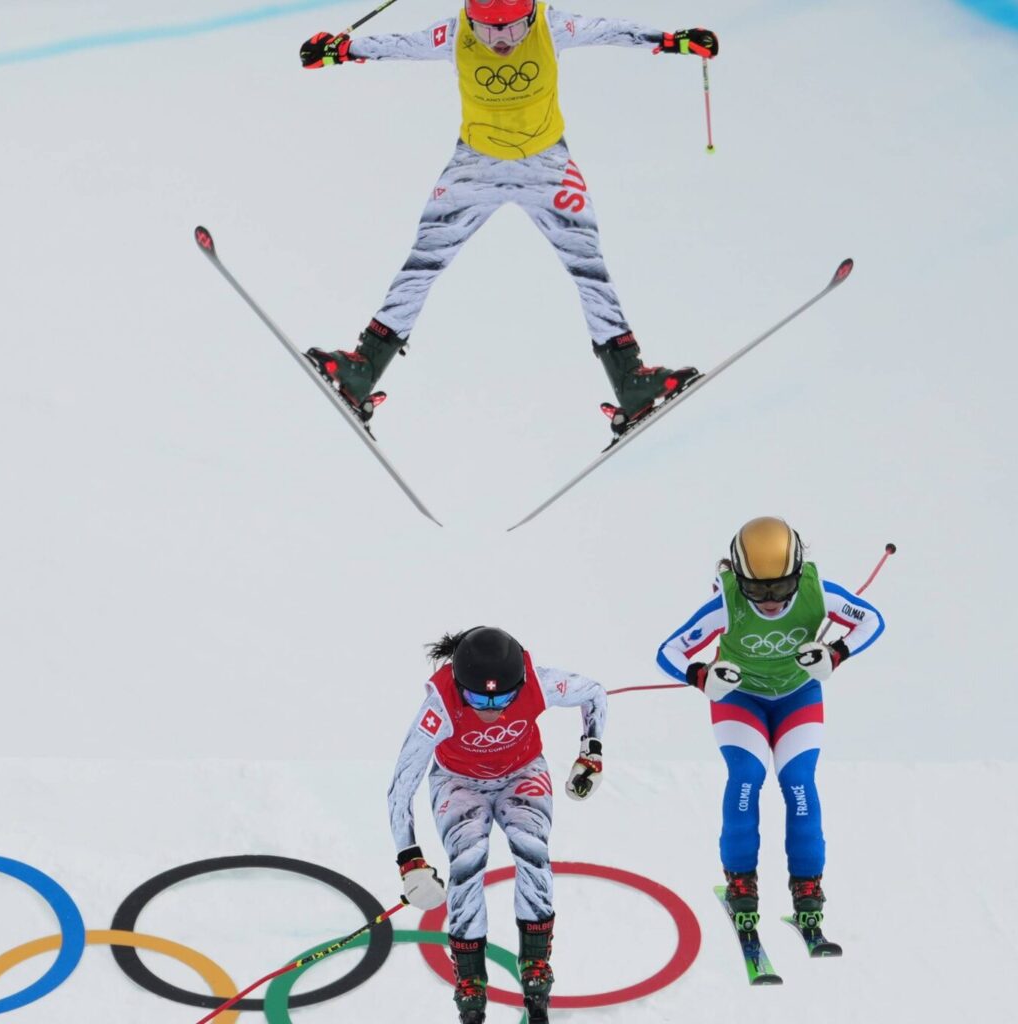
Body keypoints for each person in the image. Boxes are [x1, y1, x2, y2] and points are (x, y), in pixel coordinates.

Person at [297, 1, 719, 435]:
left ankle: (631, 382)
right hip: (474, 168)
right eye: (487, 31)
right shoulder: (453, 34)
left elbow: (610, 30)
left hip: (548, 169)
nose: (500, 43)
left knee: (589, 269)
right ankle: (363, 369)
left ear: (532, 18)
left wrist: (672, 40)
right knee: (422, 264)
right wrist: (339, 51)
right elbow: (399, 44)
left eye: (514, 31)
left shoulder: (554, 26)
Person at [655, 517, 886, 932]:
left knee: (798, 782)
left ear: (798, 574)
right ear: (739, 579)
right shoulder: (727, 604)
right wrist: (701, 676)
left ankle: (807, 885)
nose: (770, 601)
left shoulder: (818, 592)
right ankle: (741, 881)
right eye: (756, 590)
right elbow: (669, 650)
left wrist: (836, 653)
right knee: (746, 777)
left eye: (781, 588)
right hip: (741, 700)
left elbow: (872, 619)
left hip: (797, 698)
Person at [388, 626, 607, 1023]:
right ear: (459, 687)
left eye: (505, 698)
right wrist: (410, 861)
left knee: (532, 848)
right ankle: (470, 977)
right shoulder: (439, 706)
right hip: (458, 782)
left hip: (521, 773)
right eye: (476, 699)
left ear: (520, 683)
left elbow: (593, 692)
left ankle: (536, 962)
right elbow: (402, 784)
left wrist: (591, 752)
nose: (491, 710)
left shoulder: (539, 684)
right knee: (467, 859)